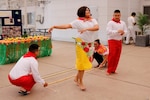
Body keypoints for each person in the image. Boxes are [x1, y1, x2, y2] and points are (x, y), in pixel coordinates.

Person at [48, 6, 99, 91]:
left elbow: (97, 28)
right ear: (82, 12)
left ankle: (76, 77)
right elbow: (66, 26)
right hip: (81, 44)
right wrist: (54, 26)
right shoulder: (77, 22)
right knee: (82, 64)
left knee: (85, 62)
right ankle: (80, 82)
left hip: (90, 45)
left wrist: (86, 29)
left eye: (89, 10)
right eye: (87, 11)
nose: (89, 12)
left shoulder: (93, 20)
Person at [106, 10, 127, 75]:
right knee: (112, 56)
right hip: (112, 40)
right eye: (116, 15)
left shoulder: (123, 23)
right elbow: (108, 32)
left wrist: (123, 33)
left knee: (117, 56)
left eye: (118, 15)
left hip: (119, 41)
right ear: (113, 15)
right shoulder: (110, 23)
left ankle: (113, 70)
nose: (117, 17)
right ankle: (109, 70)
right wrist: (117, 31)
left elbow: (126, 31)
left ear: (120, 15)